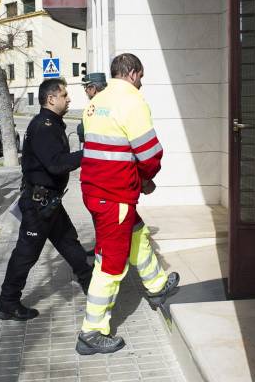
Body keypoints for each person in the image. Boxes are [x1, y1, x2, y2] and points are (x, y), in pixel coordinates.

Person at [75, 53, 179, 355]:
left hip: (97, 192)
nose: (141, 83)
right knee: (110, 264)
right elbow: (149, 154)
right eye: (141, 77)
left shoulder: (95, 103)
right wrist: (146, 179)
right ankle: (91, 332)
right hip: (115, 195)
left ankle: (157, 284)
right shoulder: (132, 101)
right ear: (133, 73)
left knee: (137, 234)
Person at [0, 78, 93, 321]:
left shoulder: (52, 123)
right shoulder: (45, 126)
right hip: (38, 206)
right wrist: (88, 153)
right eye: (64, 95)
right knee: (26, 254)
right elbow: (56, 164)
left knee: (69, 242)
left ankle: (91, 284)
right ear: (51, 99)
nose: (68, 98)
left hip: (49, 203)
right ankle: (7, 303)